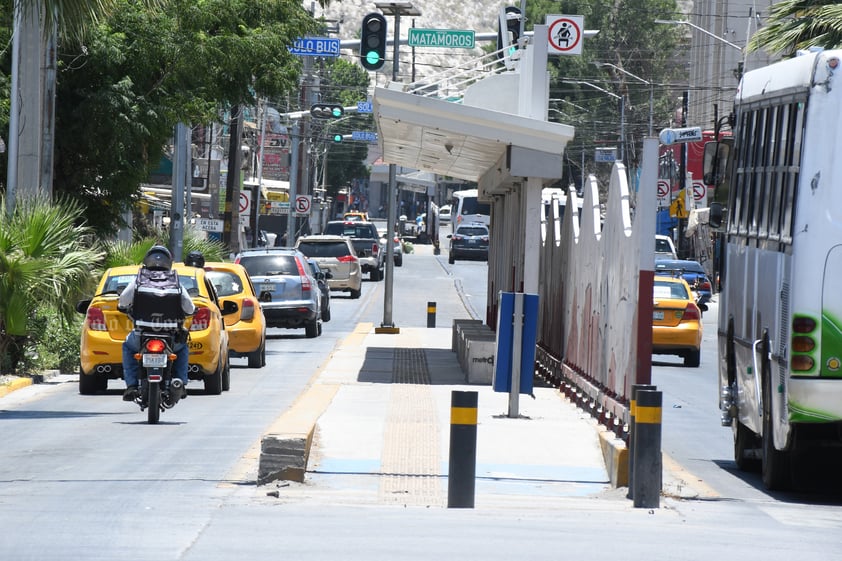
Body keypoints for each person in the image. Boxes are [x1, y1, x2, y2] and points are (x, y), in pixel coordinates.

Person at [119, 245, 195, 402]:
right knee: (182, 348)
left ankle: (132, 385)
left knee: (127, 346)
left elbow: (123, 300)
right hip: (170, 337)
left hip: (141, 334)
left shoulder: (139, 279)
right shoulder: (175, 281)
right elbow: (189, 307)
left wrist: (123, 307)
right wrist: (190, 312)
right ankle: (180, 383)